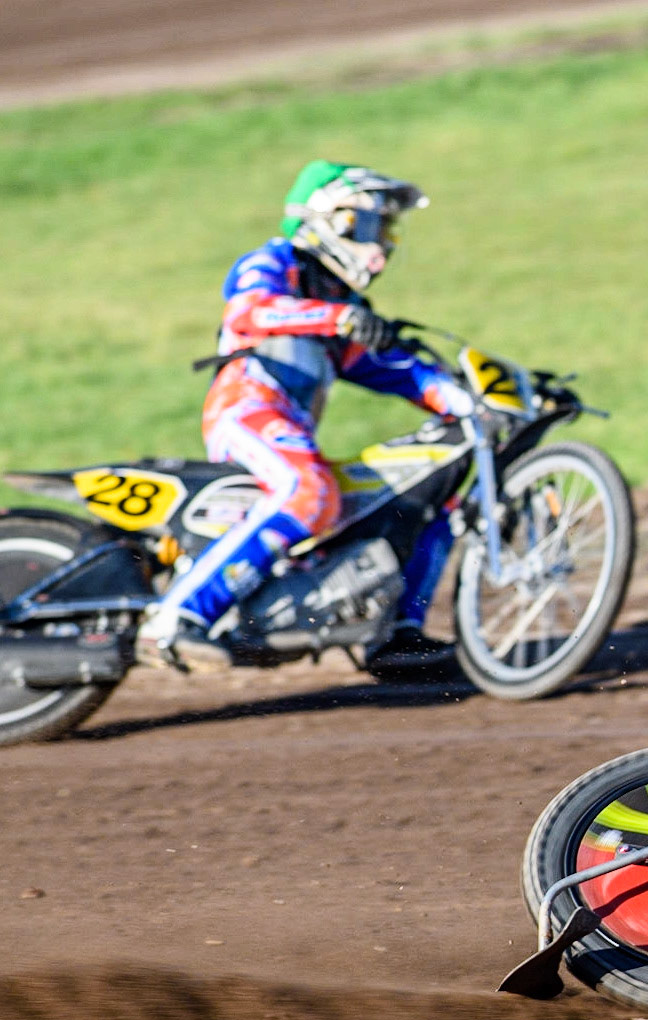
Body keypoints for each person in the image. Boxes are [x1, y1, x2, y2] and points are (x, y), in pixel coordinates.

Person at [135, 160, 478, 668]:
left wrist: (475, 403)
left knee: (432, 493)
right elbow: (248, 311)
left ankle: (397, 634)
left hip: (290, 430)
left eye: (386, 228)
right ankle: (175, 620)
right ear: (325, 219)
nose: (380, 241)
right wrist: (337, 319)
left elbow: (402, 374)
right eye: (367, 225)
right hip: (245, 410)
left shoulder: (343, 303)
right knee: (309, 490)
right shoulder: (275, 261)